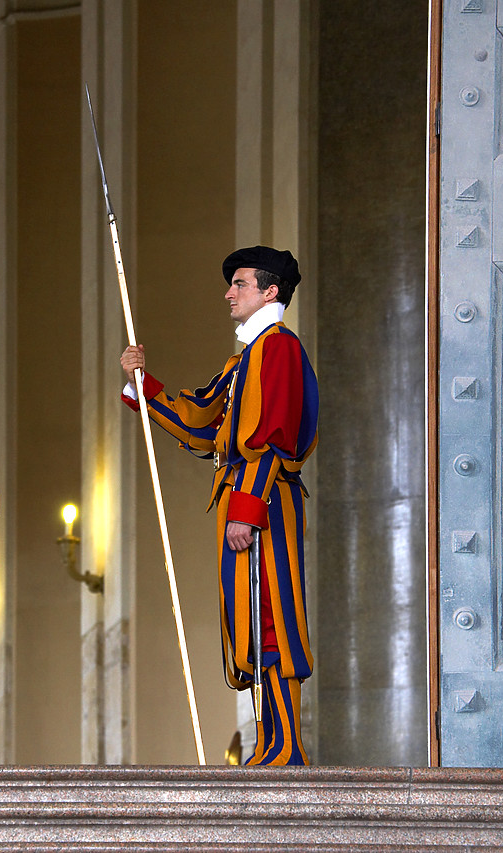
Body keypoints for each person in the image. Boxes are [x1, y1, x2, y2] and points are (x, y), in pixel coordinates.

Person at [119, 246, 318, 765]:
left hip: (265, 499)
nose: (229, 294)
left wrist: (247, 507)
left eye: (240, 284)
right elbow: (203, 423)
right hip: (245, 499)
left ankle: (286, 746)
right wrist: (144, 384)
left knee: (272, 617)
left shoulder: (278, 349)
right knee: (248, 620)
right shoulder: (244, 359)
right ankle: (269, 742)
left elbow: (273, 434)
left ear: (270, 292)